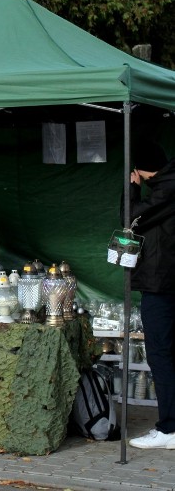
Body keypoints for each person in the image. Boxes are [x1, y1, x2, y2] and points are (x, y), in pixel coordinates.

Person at [125, 142, 175, 449]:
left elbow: (130, 219)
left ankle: (169, 429)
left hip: (162, 286)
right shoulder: (166, 188)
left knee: (161, 354)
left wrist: (132, 189)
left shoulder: (166, 190)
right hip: (167, 283)